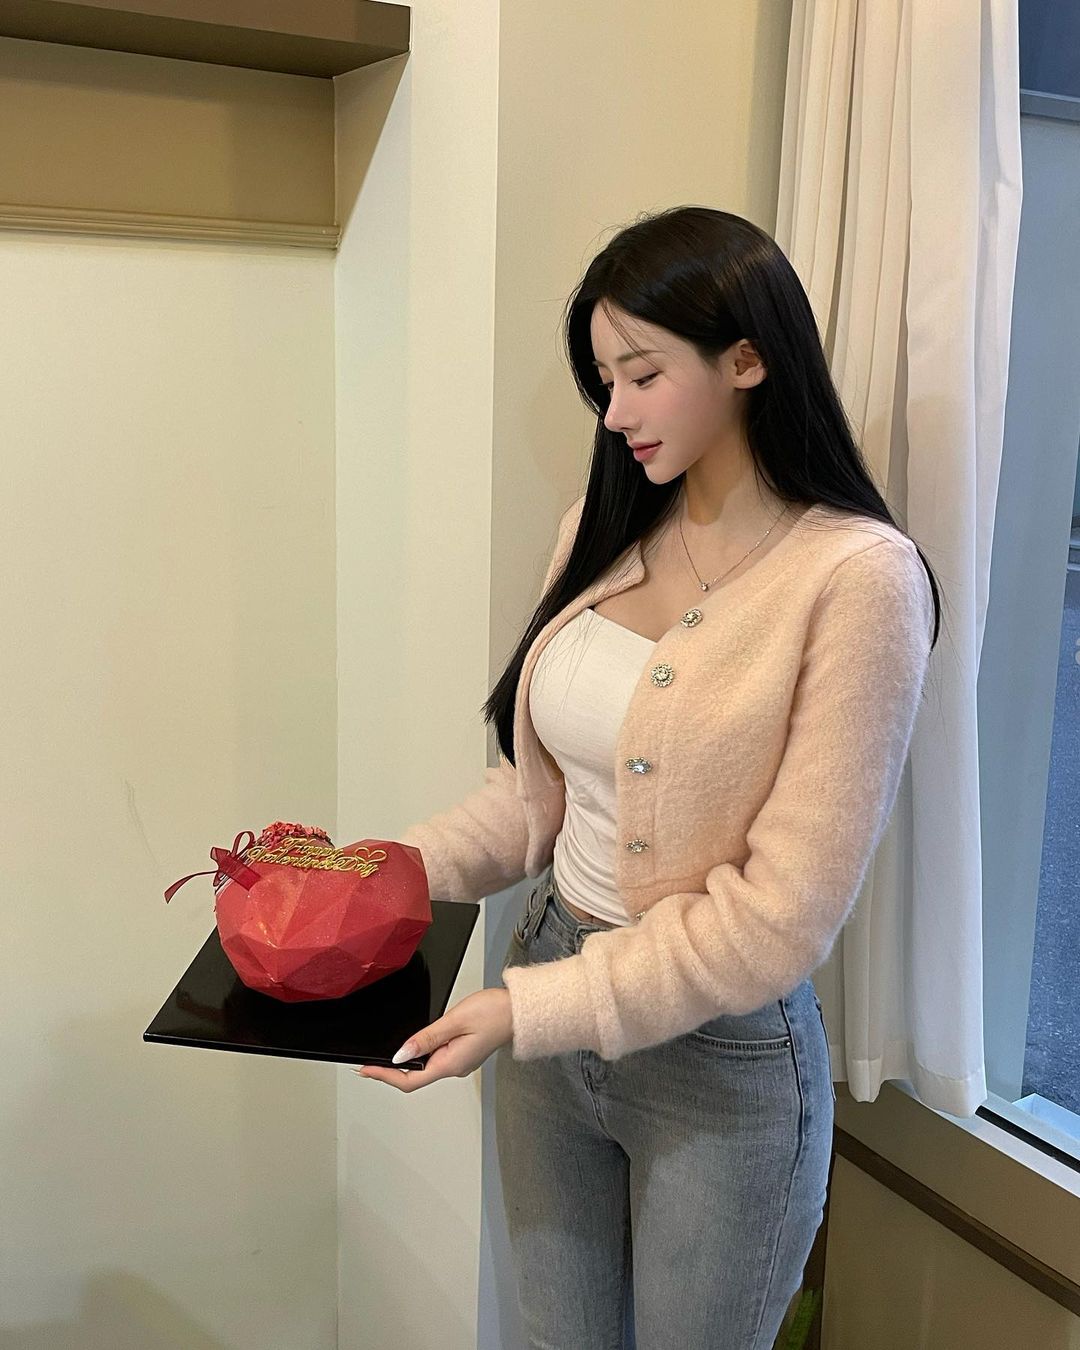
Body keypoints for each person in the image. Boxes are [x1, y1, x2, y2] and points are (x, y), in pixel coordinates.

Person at [352, 204, 943, 1348]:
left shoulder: (859, 580)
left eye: (641, 375)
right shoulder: (605, 525)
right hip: (547, 991)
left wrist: (526, 1011)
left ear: (747, 360)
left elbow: (779, 919)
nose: (613, 412)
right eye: (604, 380)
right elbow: (536, 799)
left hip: (719, 1065)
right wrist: (379, 875)